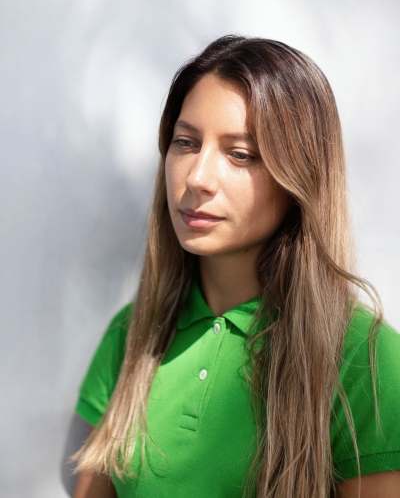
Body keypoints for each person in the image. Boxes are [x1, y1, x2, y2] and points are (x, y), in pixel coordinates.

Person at [71, 35, 400, 498]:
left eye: (240, 153)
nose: (197, 177)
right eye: (185, 142)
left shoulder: (365, 358)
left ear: (299, 177)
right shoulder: (133, 336)